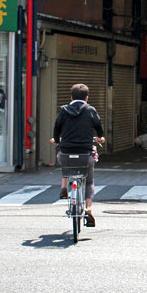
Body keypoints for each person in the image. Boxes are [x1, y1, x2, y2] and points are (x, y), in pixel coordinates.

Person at [51, 83, 105, 228]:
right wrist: (100, 137)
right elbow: (99, 127)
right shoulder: (90, 110)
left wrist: (56, 140)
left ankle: (64, 186)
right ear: (86, 98)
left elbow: (56, 127)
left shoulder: (63, 110)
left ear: (71, 97)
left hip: (66, 152)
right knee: (88, 181)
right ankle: (88, 209)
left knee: (63, 160)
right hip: (84, 153)